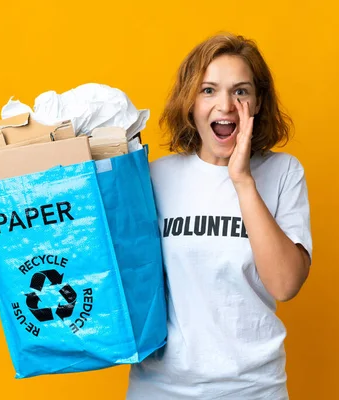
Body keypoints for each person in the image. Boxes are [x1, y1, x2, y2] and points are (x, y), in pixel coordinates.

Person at [126, 33, 313, 400]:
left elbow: (286, 284)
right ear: (190, 102)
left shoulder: (283, 172)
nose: (226, 105)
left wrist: (242, 180)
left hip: (252, 389)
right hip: (160, 388)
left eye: (240, 91)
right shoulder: (154, 177)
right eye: (209, 90)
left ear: (257, 102)